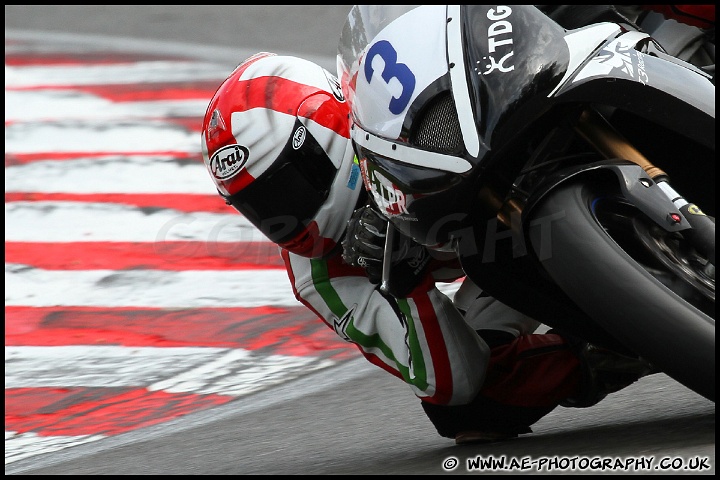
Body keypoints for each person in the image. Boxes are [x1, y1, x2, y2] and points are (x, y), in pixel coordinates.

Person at [200, 51, 654, 444]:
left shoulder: (387, 96)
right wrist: (409, 286)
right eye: (257, 206)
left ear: (326, 128)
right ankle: (631, 346)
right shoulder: (319, 273)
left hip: (528, 165)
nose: (284, 214)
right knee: (467, 409)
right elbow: (450, 381)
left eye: (286, 188)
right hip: (503, 255)